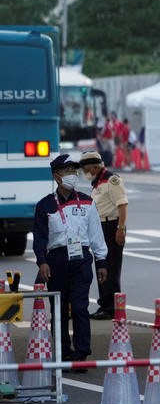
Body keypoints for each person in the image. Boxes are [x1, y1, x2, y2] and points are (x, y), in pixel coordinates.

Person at [32, 154, 108, 365]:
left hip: (82, 258)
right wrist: (42, 261)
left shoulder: (87, 202)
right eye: (68, 171)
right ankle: (63, 351)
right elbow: (39, 237)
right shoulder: (45, 206)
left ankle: (82, 351)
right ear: (57, 176)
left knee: (80, 306)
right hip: (56, 260)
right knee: (59, 308)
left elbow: (96, 235)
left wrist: (101, 263)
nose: (73, 175)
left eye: (74, 171)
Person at [79, 150, 128, 321]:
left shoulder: (112, 180)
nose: (85, 172)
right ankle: (104, 304)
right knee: (102, 266)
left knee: (111, 268)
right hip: (101, 227)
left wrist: (120, 229)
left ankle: (111, 307)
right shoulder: (98, 182)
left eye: (86, 168)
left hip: (112, 226)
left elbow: (122, 205)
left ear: (94, 166)